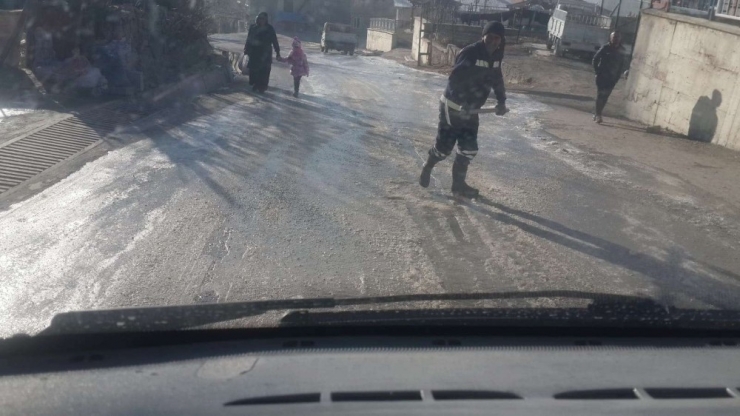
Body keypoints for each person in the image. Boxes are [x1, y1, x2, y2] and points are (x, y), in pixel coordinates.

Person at [418, 21, 508, 199]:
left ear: (500, 40)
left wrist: (501, 101)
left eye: (497, 38)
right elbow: (455, 80)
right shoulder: (470, 52)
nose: (493, 41)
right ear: (483, 36)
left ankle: (458, 186)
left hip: (471, 111)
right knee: (444, 150)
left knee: (469, 149)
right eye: (490, 36)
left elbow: (497, 79)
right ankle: (428, 166)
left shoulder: (497, 56)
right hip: (452, 108)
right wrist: (463, 102)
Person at [592, 32, 625, 124]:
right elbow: (595, 59)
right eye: (614, 37)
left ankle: (598, 113)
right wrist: (597, 71)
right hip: (602, 76)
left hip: (612, 78)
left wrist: (618, 76)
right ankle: (598, 115)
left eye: (617, 37)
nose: (616, 39)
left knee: (606, 96)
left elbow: (621, 65)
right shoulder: (605, 48)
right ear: (610, 38)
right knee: (601, 94)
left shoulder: (622, 50)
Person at [244, 12, 281, 93]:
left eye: (264, 19)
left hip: (266, 54)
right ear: (258, 19)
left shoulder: (269, 28)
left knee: (265, 71)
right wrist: (246, 49)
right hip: (254, 53)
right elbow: (249, 39)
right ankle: (255, 84)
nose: (262, 20)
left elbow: (274, 40)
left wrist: (277, 52)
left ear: (266, 20)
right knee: (254, 70)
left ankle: (262, 87)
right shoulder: (253, 28)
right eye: (260, 18)